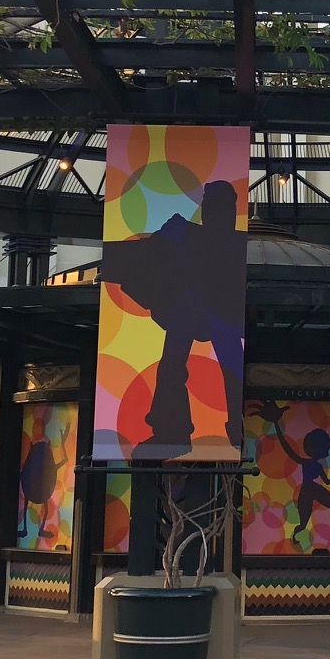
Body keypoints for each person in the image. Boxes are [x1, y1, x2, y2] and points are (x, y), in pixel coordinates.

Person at [102, 178, 247, 459]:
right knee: (176, 368)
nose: (219, 215)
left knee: (225, 370)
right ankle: (176, 430)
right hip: (191, 309)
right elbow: (152, 252)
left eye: (224, 209)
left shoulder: (214, 240)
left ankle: (210, 430)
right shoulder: (187, 233)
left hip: (210, 313)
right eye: (214, 208)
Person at [257, 401, 330, 548]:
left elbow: (326, 482)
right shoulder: (307, 462)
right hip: (307, 492)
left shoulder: (317, 465)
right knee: (303, 523)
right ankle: (296, 537)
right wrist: (276, 424)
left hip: (313, 489)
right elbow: (288, 450)